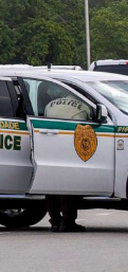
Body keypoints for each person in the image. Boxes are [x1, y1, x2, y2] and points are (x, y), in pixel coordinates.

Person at [41, 83, 90, 233]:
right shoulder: (84, 107)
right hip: (69, 148)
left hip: (49, 147)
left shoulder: (51, 104)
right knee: (68, 187)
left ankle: (55, 222)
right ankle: (67, 222)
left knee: (51, 187)